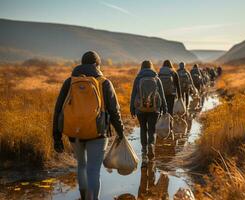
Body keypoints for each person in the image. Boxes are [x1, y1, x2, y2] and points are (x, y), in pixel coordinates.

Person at [53, 51, 124, 200]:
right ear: (96, 64)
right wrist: (121, 132)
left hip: (74, 132)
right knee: (93, 170)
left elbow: (58, 109)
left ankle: (83, 197)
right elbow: (114, 111)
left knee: (82, 166)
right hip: (98, 133)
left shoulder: (69, 82)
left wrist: (57, 137)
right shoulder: (105, 83)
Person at [130, 60, 167, 164]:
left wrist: (132, 109)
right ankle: (151, 144)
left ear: (141, 67)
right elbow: (162, 95)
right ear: (151, 67)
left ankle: (144, 151)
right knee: (152, 129)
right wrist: (165, 109)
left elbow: (133, 94)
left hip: (140, 109)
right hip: (154, 109)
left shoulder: (138, 78)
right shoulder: (156, 78)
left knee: (143, 128)